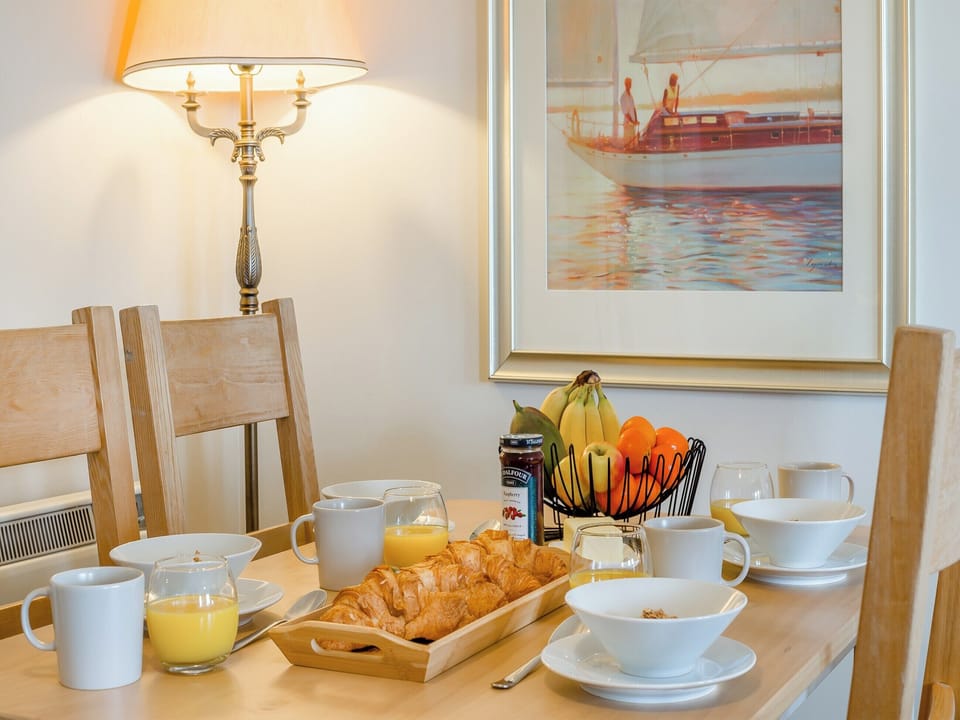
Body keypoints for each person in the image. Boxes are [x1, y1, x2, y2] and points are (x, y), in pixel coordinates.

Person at [619, 77, 638, 144]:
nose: (630, 85)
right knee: (627, 143)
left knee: (633, 142)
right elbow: (625, 113)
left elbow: (634, 109)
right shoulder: (623, 97)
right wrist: (633, 122)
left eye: (630, 83)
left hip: (632, 124)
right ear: (625, 84)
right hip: (627, 124)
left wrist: (636, 120)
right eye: (629, 83)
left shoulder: (631, 96)